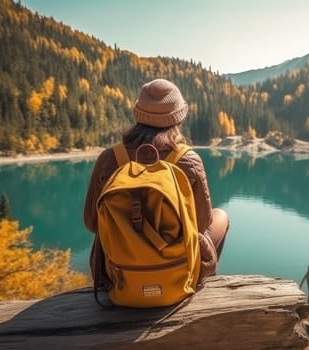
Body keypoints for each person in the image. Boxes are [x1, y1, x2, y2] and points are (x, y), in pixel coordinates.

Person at [83, 78, 229, 283]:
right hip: (174, 273)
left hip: (118, 277)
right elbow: (202, 223)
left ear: (138, 115)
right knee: (220, 216)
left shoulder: (110, 158)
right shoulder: (188, 160)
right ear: (178, 118)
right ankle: (199, 282)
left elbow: (91, 222)